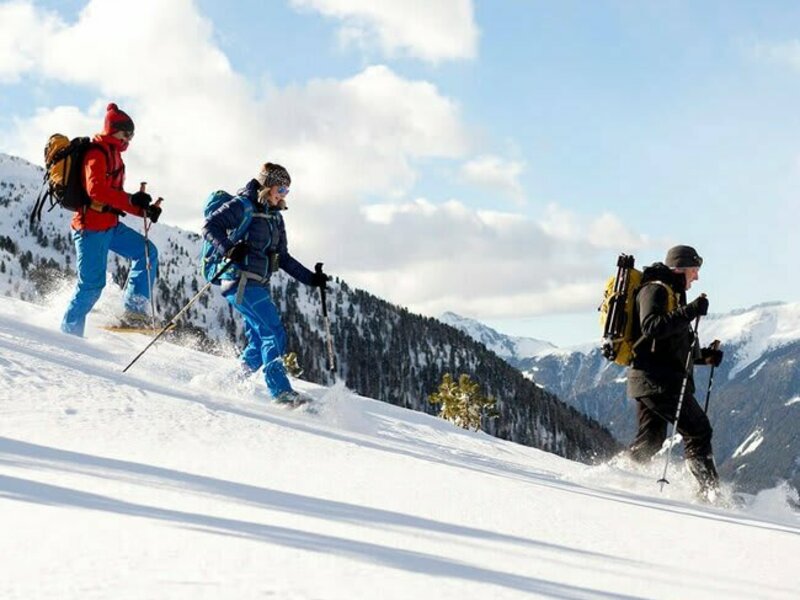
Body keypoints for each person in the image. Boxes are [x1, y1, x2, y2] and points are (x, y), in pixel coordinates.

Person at [201, 162, 329, 406]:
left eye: (286, 191)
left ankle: (224, 385)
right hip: (239, 280)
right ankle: (281, 393)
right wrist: (229, 250)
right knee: (273, 332)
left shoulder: (275, 218)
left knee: (260, 342)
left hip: (256, 283)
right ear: (267, 186)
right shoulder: (243, 205)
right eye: (280, 189)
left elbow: (283, 258)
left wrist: (312, 279)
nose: (283, 196)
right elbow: (210, 226)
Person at [626, 245, 724, 500]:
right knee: (698, 430)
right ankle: (710, 494)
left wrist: (704, 358)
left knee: (651, 440)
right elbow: (651, 328)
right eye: (695, 270)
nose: (697, 277)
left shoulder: (671, 293)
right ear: (680, 269)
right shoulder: (655, 289)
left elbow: (671, 345)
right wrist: (691, 310)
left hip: (653, 379)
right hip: (658, 381)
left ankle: (620, 475)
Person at [61, 103, 162, 337]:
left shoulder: (114, 155)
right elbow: (96, 191)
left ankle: (134, 312)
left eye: (132, 135)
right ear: (112, 130)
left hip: (110, 224)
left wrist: (144, 210)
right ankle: (67, 338)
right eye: (126, 134)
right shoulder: (96, 153)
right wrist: (132, 201)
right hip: (91, 228)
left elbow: (116, 199)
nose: (129, 139)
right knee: (91, 287)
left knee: (146, 252)